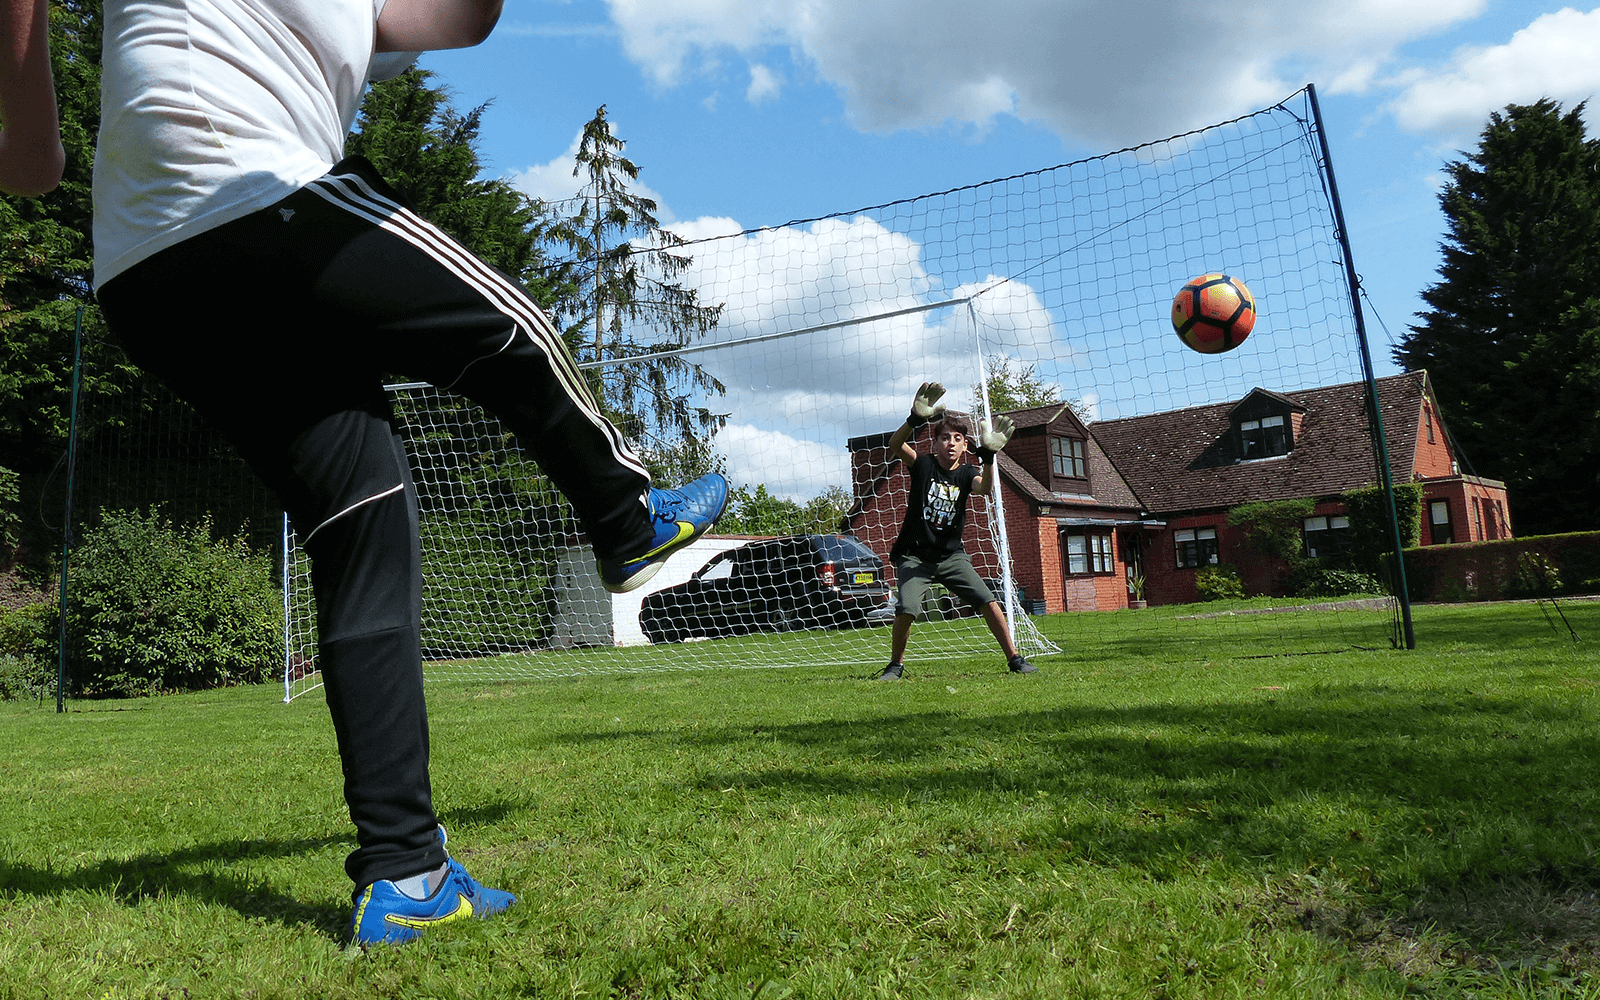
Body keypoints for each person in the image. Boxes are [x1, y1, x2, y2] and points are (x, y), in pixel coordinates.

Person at [0, 0, 728, 945]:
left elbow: (454, 22)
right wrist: (31, 128)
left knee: (366, 524)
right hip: (245, 192)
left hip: (152, 274)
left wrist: (29, 141)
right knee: (511, 325)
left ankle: (406, 871)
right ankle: (628, 515)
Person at [878, 382, 1036, 680]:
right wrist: (914, 419)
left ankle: (1014, 658)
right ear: (934, 443)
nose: (951, 443)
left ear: (965, 446)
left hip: (951, 556)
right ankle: (895, 665)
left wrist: (988, 457)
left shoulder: (967, 472)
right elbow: (896, 446)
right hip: (915, 558)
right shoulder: (923, 465)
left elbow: (985, 489)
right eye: (945, 438)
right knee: (908, 607)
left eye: (958, 438)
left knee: (988, 600)